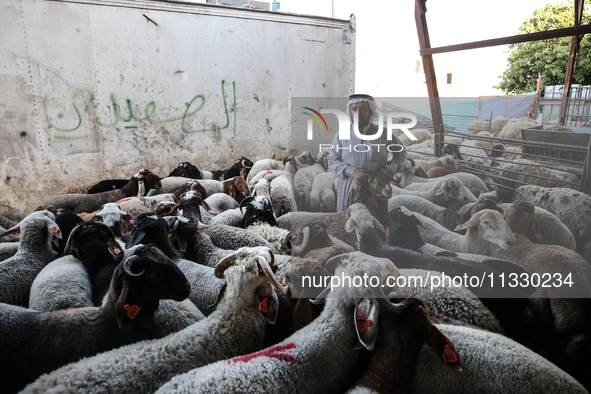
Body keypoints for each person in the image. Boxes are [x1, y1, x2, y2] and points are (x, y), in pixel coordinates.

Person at [327, 94, 407, 212]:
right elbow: (332, 161)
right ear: (350, 112)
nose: (358, 112)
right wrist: (352, 171)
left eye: (363, 109)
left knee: (378, 224)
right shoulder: (341, 135)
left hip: (377, 191)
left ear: (371, 112)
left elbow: (401, 152)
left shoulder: (384, 134)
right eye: (354, 109)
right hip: (350, 190)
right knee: (347, 225)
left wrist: (392, 169)